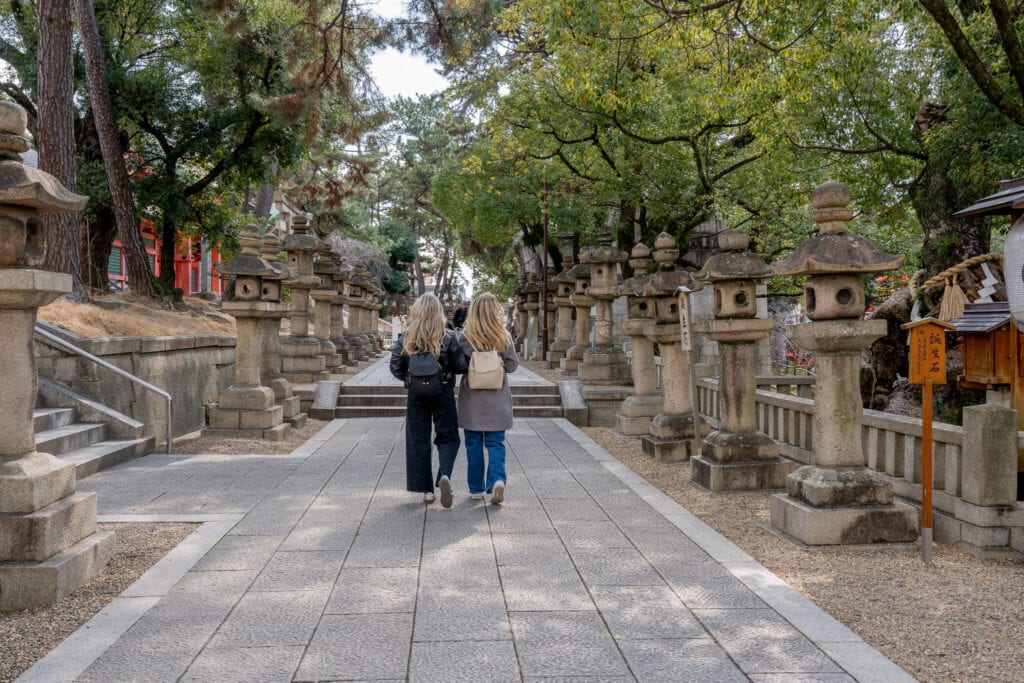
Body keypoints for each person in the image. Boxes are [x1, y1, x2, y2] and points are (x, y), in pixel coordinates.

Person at [389, 293, 467, 507]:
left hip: (416, 394)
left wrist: (410, 378)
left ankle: (426, 491)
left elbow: (396, 367)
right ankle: (445, 475)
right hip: (442, 391)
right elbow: (461, 366)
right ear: (438, 312)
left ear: (416, 312)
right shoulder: (448, 336)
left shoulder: (406, 338)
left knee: (418, 440)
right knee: (449, 437)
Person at [456, 292, 519, 505]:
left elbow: (459, 366)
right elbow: (512, 365)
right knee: (496, 443)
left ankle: (475, 488)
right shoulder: (503, 336)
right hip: (497, 396)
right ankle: (498, 480)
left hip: (472, 396)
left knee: (473, 444)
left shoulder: (465, 337)